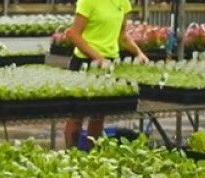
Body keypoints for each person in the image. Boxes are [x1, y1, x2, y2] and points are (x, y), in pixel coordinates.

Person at [63, 0, 147, 149]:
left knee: (98, 114)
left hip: (109, 64)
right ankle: (71, 153)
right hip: (85, 63)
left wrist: (139, 53)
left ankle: (91, 155)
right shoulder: (88, 2)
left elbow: (121, 36)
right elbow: (73, 34)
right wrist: (98, 58)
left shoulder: (123, 2)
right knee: (77, 113)